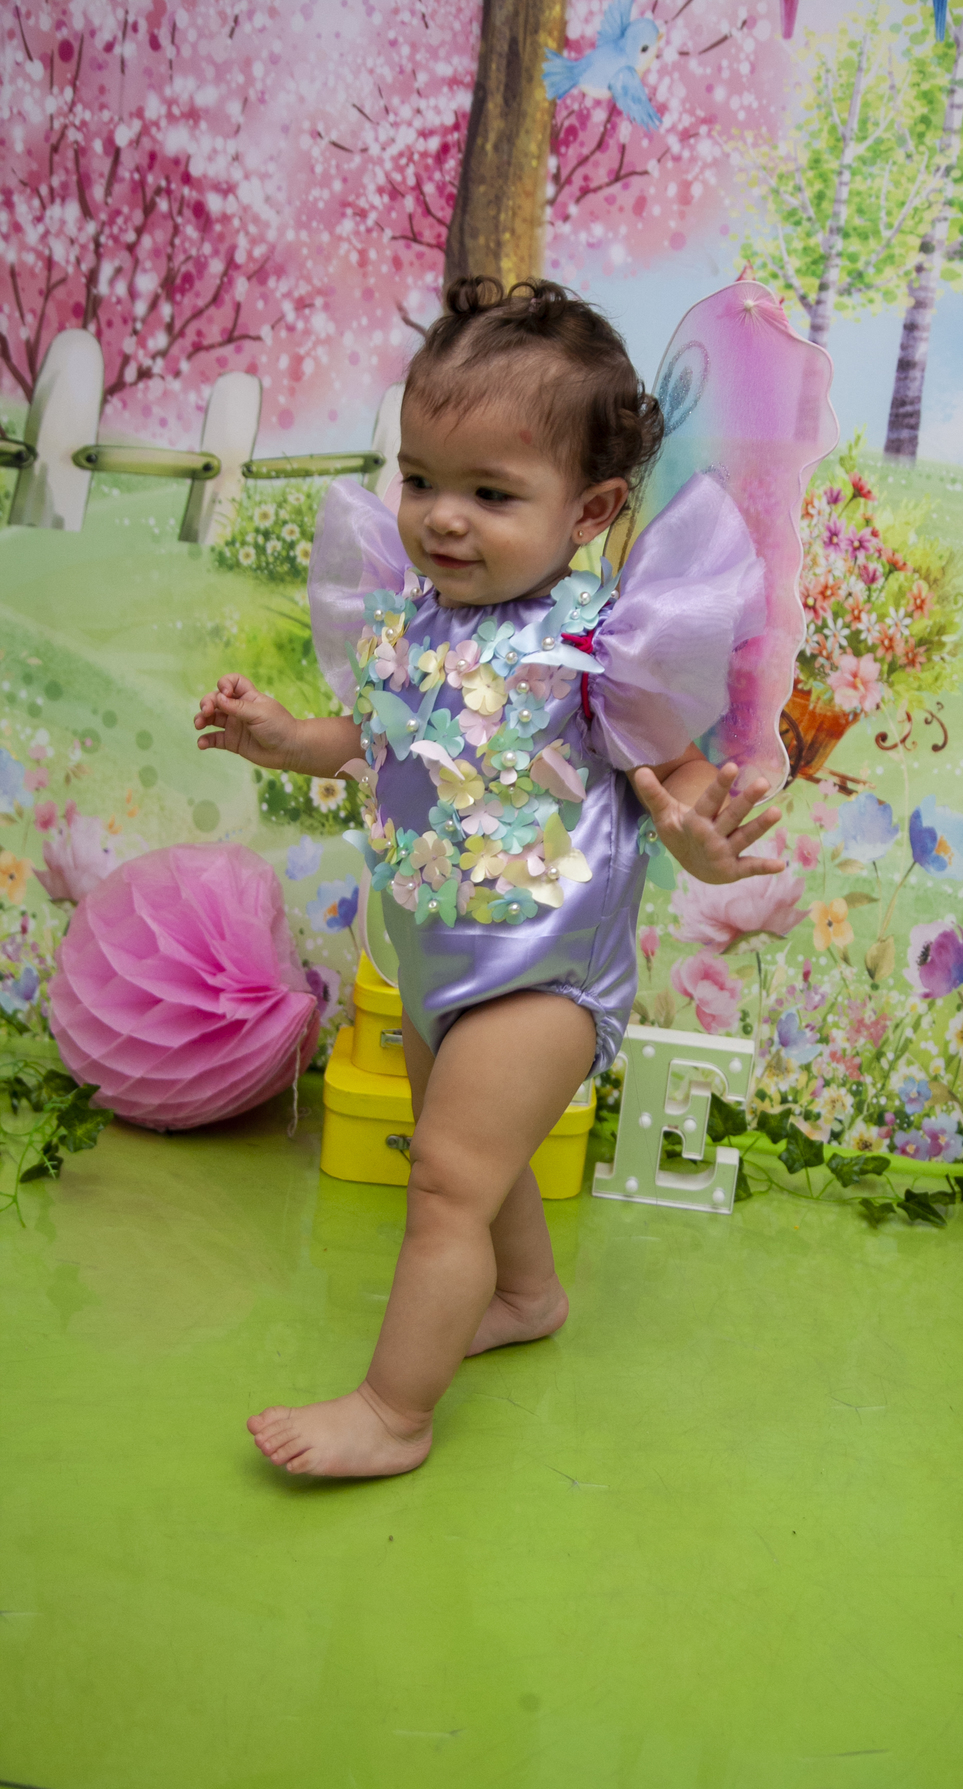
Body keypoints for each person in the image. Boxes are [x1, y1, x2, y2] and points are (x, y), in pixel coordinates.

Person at [194, 277, 791, 1479]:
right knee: (467, 1153)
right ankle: (525, 1297)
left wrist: (697, 838)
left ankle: (394, 1413)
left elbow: (673, 776)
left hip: (544, 969)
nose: (443, 520)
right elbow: (374, 739)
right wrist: (286, 738)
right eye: (420, 480)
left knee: (447, 1180)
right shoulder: (412, 621)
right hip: (432, 949)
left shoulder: (601, 646)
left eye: (492, 493)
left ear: (592, 508)